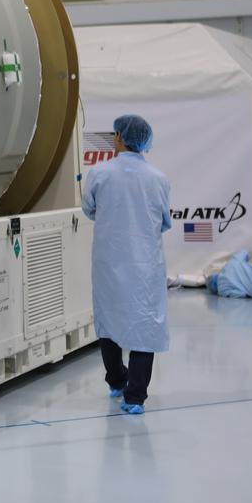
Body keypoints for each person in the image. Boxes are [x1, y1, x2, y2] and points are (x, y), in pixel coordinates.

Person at [81, 114, 171, 415]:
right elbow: (164, 222)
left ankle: (117, 381)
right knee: (145, 325)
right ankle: (135, 397)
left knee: (109, 320)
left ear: (119, 138)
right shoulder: (158, 178)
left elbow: (89, 209)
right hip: (146, 264)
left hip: (109, 260)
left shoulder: (99, 174)